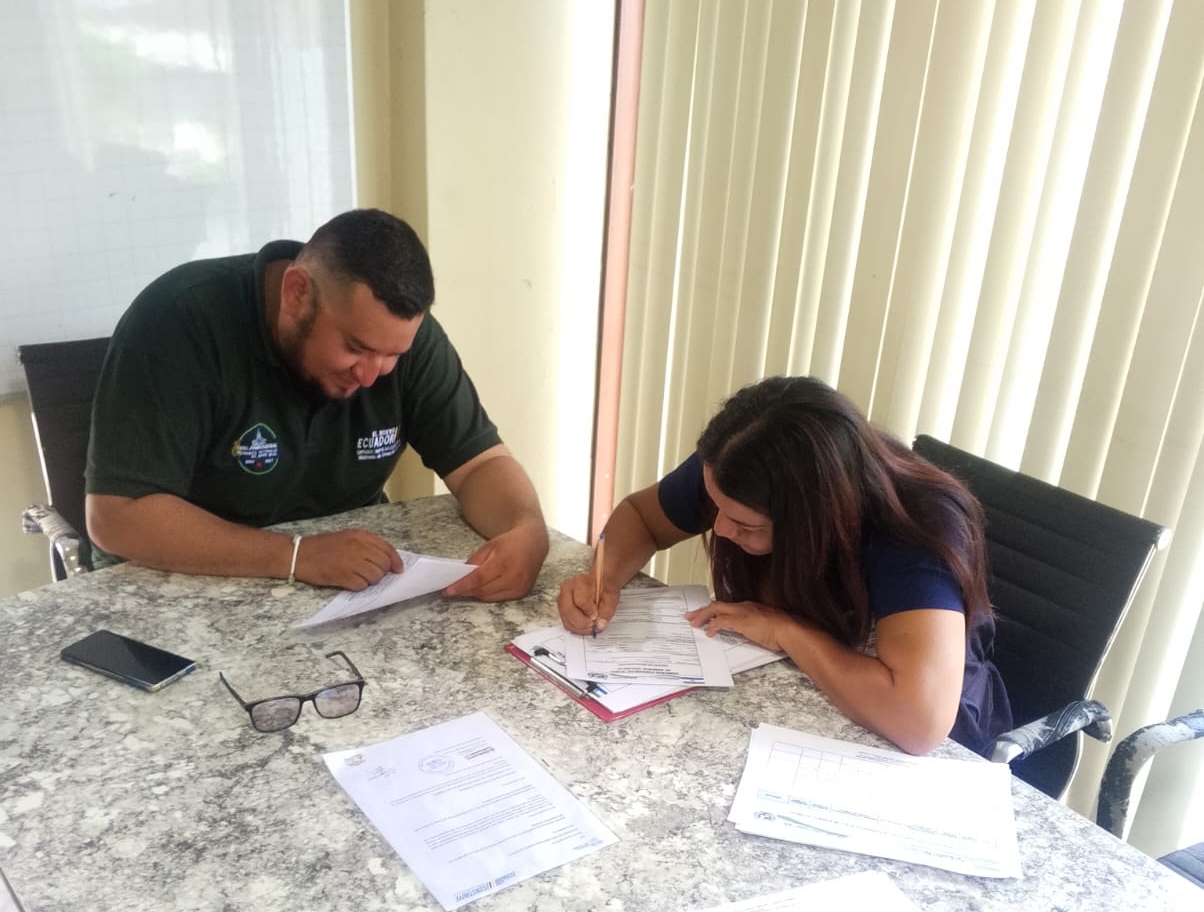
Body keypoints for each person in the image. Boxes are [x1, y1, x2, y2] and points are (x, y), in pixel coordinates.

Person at [85, 209, 548, 600]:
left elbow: (479, 464)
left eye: (392, 356)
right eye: (354, 348)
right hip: (176, 581)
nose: (371, 375)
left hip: (342, 587)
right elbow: (117, 516)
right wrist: (295, 555)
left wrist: (526, 530)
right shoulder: (179, 321)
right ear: (296, 294)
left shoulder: (401, 338)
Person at [558, 376, 1012, 756]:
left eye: (744, 524)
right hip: (802, 699)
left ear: (816, 518)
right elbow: (640, 517)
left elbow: (918, 722)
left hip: (923, 752)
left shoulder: (914, 534)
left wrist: (785, 631)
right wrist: (605, 579)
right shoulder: (735, 469)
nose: (720, 528)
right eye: (716, 507)